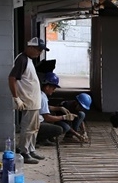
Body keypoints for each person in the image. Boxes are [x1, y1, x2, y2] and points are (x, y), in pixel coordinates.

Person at [8, 37, 48, 165]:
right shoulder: (22, 59)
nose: (39, 53)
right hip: (28, 101)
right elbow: (12, 78)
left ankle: (31, 149)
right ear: (30, 47)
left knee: (34, 128)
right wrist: (16, 97)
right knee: (28, 128)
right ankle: (23, 152)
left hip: (33, 101)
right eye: (38, 49)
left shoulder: (29, 60)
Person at [37, 73, 84, 145]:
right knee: (59, 129)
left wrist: (59, 108)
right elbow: (47, 118)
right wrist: (64, 117)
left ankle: (44, 139)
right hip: (38, 124)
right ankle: (41, 139)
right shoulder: (43, 98)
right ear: (47, 87)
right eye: (53, 88)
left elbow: (46, 107)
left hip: (38, 122)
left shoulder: (41, 95)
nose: (54, 91)